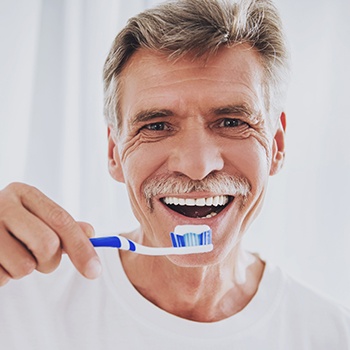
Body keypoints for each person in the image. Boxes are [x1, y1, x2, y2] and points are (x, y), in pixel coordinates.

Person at [0, 0, 349, 348]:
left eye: (231, 122)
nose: (197, 166)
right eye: (156, 125)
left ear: (276, 144)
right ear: (114, 152)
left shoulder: (331, 335)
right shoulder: (17, 303)